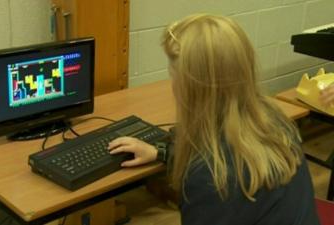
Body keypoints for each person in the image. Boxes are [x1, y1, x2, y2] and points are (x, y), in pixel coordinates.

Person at [108, 14, 320, 225]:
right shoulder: (273, 118)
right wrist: (159, 153)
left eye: (173, 75)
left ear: (192, 88)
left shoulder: (210, 179)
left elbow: (212, 168)